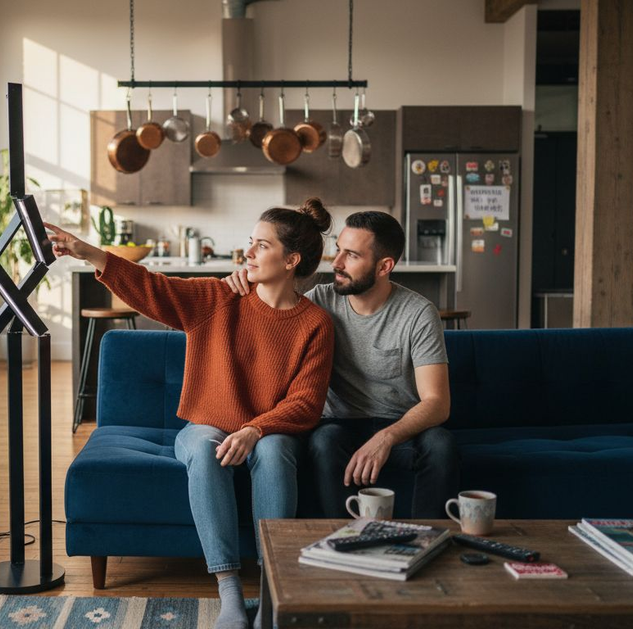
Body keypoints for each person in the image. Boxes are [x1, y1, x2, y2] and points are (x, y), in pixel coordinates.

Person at [45, 198, 335, 629]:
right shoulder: (221, 297)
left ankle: (272, 592)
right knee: (204, 444)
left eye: (261, 245)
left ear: (291, 260)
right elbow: (154, 288)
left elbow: (306, 402)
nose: (248, 253)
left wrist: (256, 429)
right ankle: (231, 592)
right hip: (205, 427)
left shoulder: (316, 323)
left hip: (269, 433)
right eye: (250, 243)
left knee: (275, 452)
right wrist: (89, 252)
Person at [224, 211, 459, 519]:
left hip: (401, 428)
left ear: (384, 266)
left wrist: (386, 438)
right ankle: (343, 542)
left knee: (442, 445)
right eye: (339, 250)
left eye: (351, 255)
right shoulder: (318, 301)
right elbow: (270, 314)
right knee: (323, 441)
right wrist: (244, 282)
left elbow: (437, 403)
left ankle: (428, 543)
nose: (335, 263)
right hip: (338, 425)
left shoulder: (417, 313)